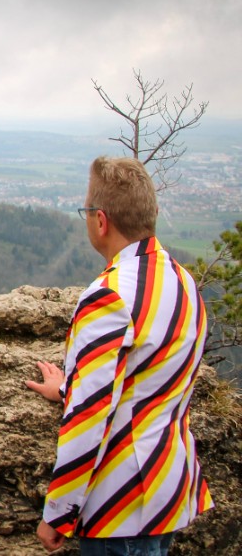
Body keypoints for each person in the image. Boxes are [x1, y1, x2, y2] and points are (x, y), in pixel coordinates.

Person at [25, 156, 213, 555]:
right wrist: (67, 391)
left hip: (120, 507)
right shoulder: (183, 281)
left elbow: (90, 414)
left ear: (101, 221)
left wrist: (58, 511)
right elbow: (148, 380)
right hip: (169, 487)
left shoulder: (109, 295)